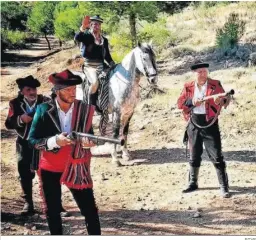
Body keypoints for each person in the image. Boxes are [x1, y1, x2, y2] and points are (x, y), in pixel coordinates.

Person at [28, 69, 101, 235]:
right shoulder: (43, 110)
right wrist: (54, 141)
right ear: (58, 91)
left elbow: (90, 135)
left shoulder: (84, 109)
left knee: (90, 210)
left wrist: (88, 143)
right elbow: (32, 141)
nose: (73, 93)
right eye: (68, 90)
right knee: (53, 211)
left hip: (76, 166)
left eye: (74, 89)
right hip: (50, 167)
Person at [177, 62, 231, 198]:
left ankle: (224, 187)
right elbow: (180, 104)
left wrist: (220, 101)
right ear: (194, 74)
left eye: (205, 71)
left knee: (217, 156)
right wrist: (192, 102)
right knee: (194, 155)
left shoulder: (215, 84)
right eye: (200, 72)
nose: (203, 74)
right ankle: (192, 183)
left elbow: (226, 100)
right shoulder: (188, 86)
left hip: (210, 123)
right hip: (194, 123)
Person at [5, 75, 50, 215]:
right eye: (28, 89)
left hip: (42, 142)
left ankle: (52, 204)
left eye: (34, 89)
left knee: (48, 173)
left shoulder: (45, 101)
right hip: (24, 142)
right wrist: (21, 119)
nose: (32, 92)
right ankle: (28, 203)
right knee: (24, 172)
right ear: (22, 91)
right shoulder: (15, 103)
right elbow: (8, 123)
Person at [74, 15, 115, 106]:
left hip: (101, 65)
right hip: (89, 66)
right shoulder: (87, 36)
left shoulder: (104, 40)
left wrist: (112, 64)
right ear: (90, 25)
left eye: (97, 24)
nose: (95, 26)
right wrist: (82, 28)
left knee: (114, 77)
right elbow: (77, 38)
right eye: (93, 24)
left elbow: (107, 55)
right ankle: (90, 106)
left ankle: (107, 102)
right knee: (95, 82)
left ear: (100, 26)